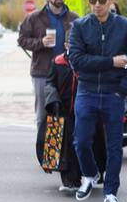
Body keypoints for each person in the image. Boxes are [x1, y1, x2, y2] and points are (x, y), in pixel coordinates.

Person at [68, 0, 127, 202]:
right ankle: (89, 175)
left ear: (110, 0)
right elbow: (77, 61)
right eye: (92, 1)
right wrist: (111, 62)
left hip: (113, 94)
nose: (97, 5)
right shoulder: (80, 26)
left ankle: (111, 192)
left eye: (101, 0)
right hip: (87, 92)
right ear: (88, 2)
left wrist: (123, 89)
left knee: (114, 146)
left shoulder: (125, 26)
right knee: (80, 142)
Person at [41, 41, 106, 193]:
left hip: (87, 110)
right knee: (66, 146)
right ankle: (70, 180)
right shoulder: (58, 62)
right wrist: (53, 99)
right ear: (66, 45)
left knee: (90, 143)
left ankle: (92, 174)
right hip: (63, 110)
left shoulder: (88, 61)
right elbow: (49, 83)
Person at [18, 0, 79, 135]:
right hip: (42, 72)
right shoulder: (34, 17)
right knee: (43, 114)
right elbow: (22, 40)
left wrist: (74, 46)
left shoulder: (74, 18)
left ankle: (64, 153)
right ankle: (44, 153)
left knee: (68, 113)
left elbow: (84, 41)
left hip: (67, 72)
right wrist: (41, 42)